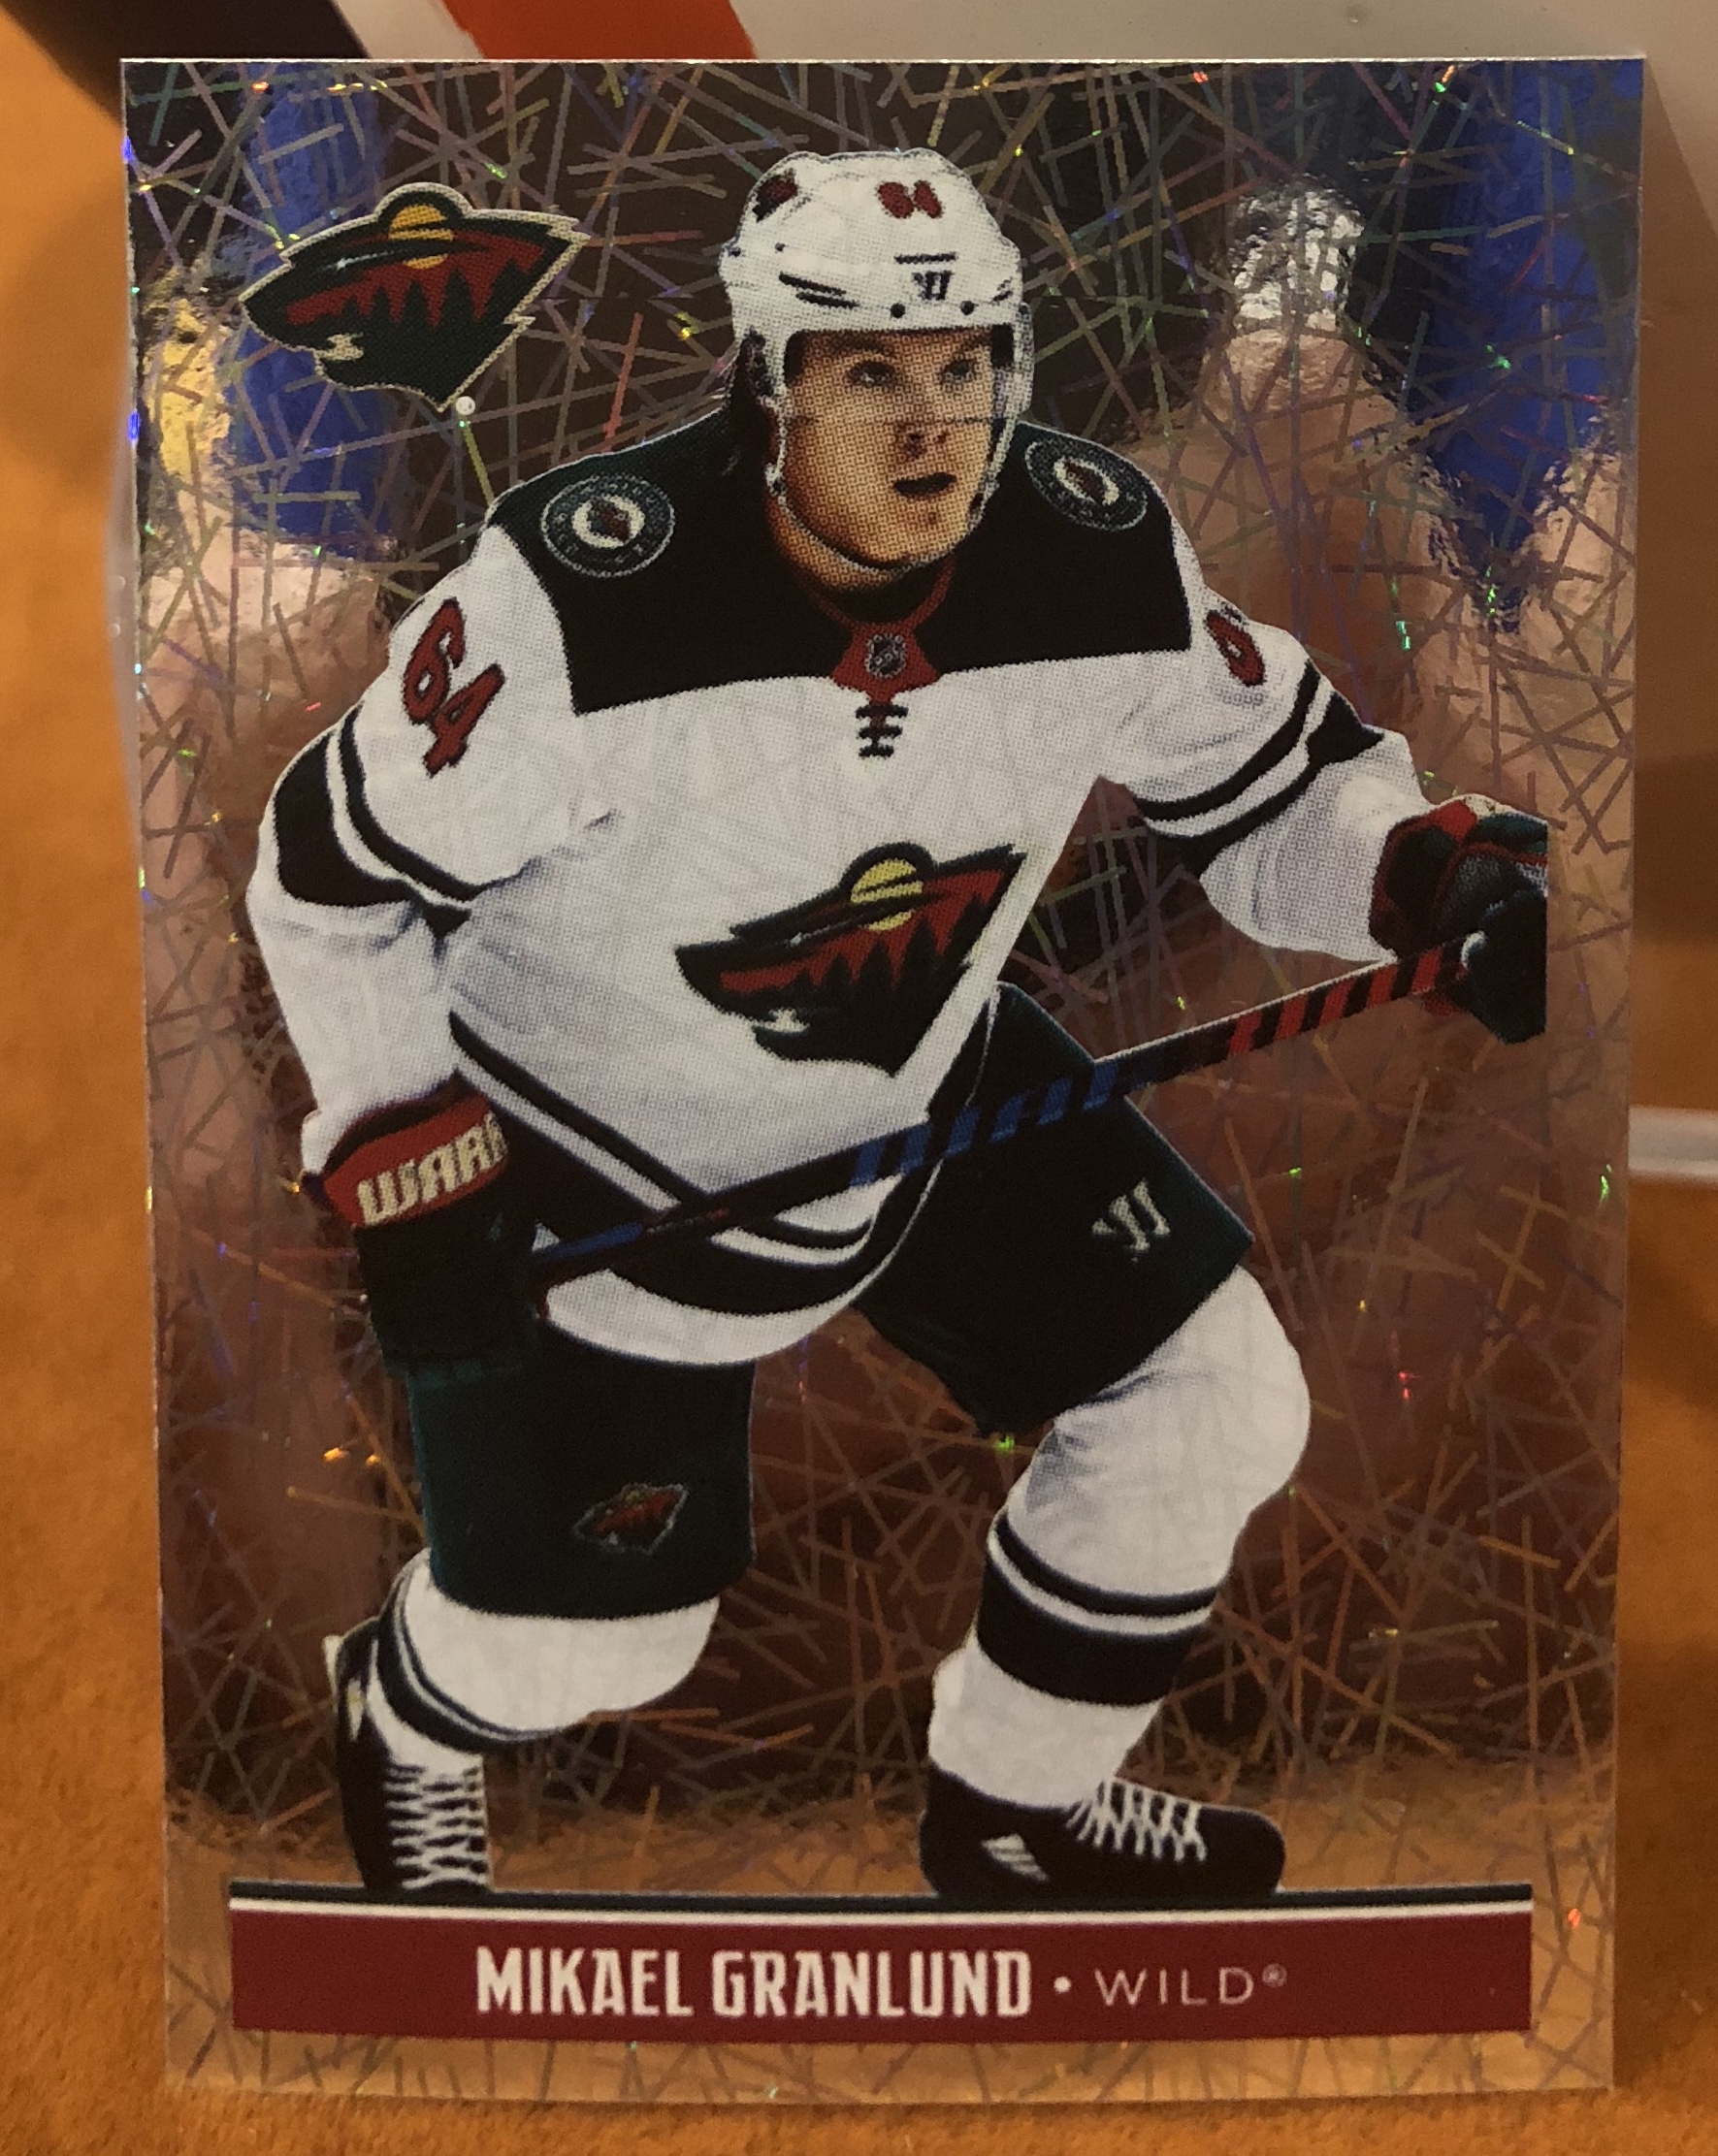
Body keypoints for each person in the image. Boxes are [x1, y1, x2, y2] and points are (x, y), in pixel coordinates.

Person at [246, 147, 1546, 1906]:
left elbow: (1275, 788)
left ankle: (1015, 1809)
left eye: (966, 367)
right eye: (870, 373)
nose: (933, 425)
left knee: (1208, 1399)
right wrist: (407, 1145)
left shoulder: (1091, 551)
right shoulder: (579, 597)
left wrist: (1421, 877)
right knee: (595, 1651)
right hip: (597, 1148)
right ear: (768, 380)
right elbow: (329, 874)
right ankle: (404, 1710)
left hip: (920, 1068)